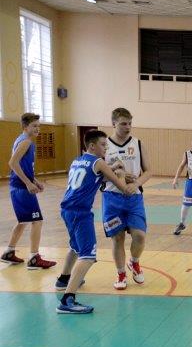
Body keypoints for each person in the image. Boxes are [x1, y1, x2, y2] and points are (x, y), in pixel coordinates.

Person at [56, 130, 137, 313]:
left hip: (67, 210)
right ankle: (67, 300)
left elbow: (96, 173)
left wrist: (112, 168)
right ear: (92, 146)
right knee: (88, 255)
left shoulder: (77, 160)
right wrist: (121, 173)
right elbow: (123, 188)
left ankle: (63, 279)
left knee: (75, 247)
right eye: (103, 145)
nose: (106, 148)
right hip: (80, 212)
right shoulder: (99, 162)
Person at [102, 108, 152, 290]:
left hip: (134, 197)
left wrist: (136, 182)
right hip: (111, 197)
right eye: (123, 123)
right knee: (117, 238)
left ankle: (134, 262)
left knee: (140, 236)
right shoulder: (104, 145)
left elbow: (149, 171)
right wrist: (118, 177)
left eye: (130, 123)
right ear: (113, 123)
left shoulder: (138, 143)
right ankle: (121, 273)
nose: (128, 127)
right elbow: (98, 174)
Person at [1, 113, 56, 270]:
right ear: (25, 127)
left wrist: (34, 181)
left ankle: (9, 252)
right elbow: (12, 163)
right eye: (34, 126)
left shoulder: (23, 140)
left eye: (39, 126)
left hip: (19, 186)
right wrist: (28, 183)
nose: (38, 129)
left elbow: (23, 166)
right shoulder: (25, 141)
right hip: (21, 188)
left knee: (23, 221)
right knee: (37, 221)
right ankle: (34, 258)